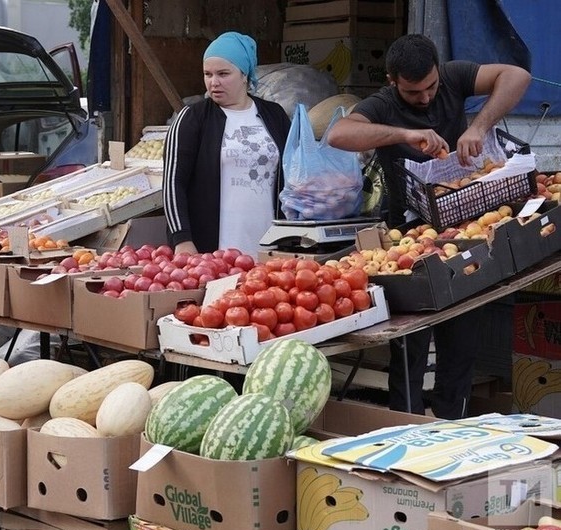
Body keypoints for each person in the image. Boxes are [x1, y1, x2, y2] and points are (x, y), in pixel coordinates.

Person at [327, 34, 531, 419]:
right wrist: (404, 134)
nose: (424, 97)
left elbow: (516, 75)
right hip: (406, 237)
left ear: (439, 71)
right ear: (392, 81)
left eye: (430, 87)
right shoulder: (384, 104)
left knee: (462, 339)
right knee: (410, 345)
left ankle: (452, 423)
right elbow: (338, 134)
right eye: (413, 92)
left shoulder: (454, 77)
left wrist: (479, 127)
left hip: (463, 228)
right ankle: (404, 421)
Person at [162, 31, 291, 257]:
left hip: (270, 246)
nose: (214, 82)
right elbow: (173, 184)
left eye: (223, 74)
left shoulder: (274, 115)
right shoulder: (192, 118)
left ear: (244, 75)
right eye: (208, 74)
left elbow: (293, 175)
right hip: (212, 252)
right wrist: (181, 238)